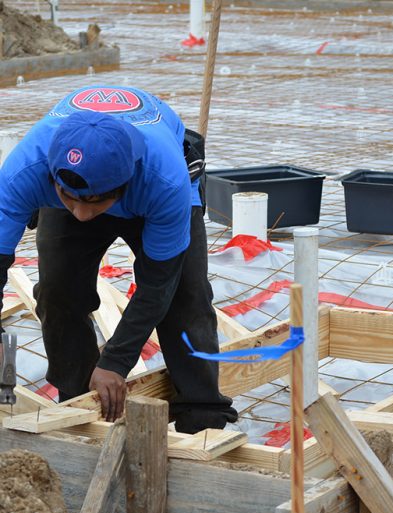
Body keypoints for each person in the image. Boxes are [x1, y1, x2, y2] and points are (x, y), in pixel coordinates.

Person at [0, 85, 238, 433]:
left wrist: (117, 361)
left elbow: (158, 282)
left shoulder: (164, 181)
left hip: (149, 192)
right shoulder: (24, 172)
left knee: (187, 298)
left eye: (94, 203)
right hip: (72, 188)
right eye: (71, 199)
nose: (82, 214)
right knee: (57, 290)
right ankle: (77, 401)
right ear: (52, 176)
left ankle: (202, 416)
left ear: (124, 185)